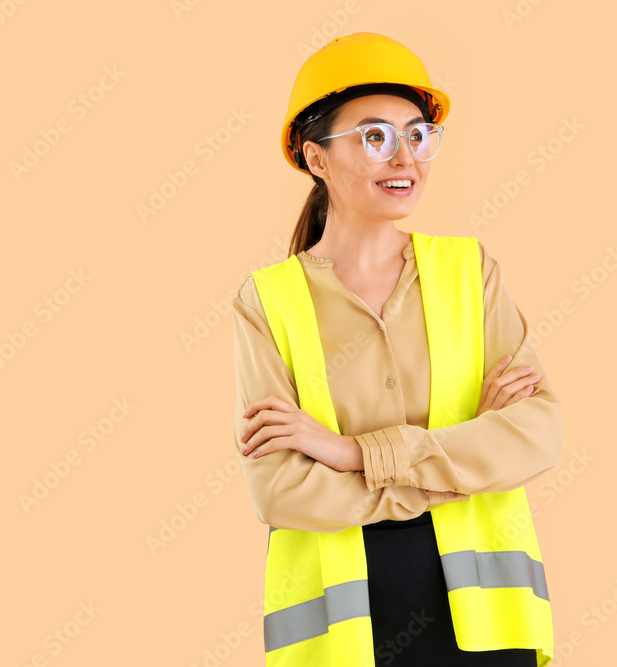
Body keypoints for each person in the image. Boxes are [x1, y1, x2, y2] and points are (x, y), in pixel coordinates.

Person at [231, 32, 562, 666]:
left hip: (489, 625)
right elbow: (279, 490)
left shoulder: (470, 271)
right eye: (375, 137)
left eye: (417, 135)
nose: (405, 157)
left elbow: (540, 432)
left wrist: (350, 452)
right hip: (343, 634)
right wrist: (464, 460)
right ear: (316, 158)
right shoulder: (267, 301)